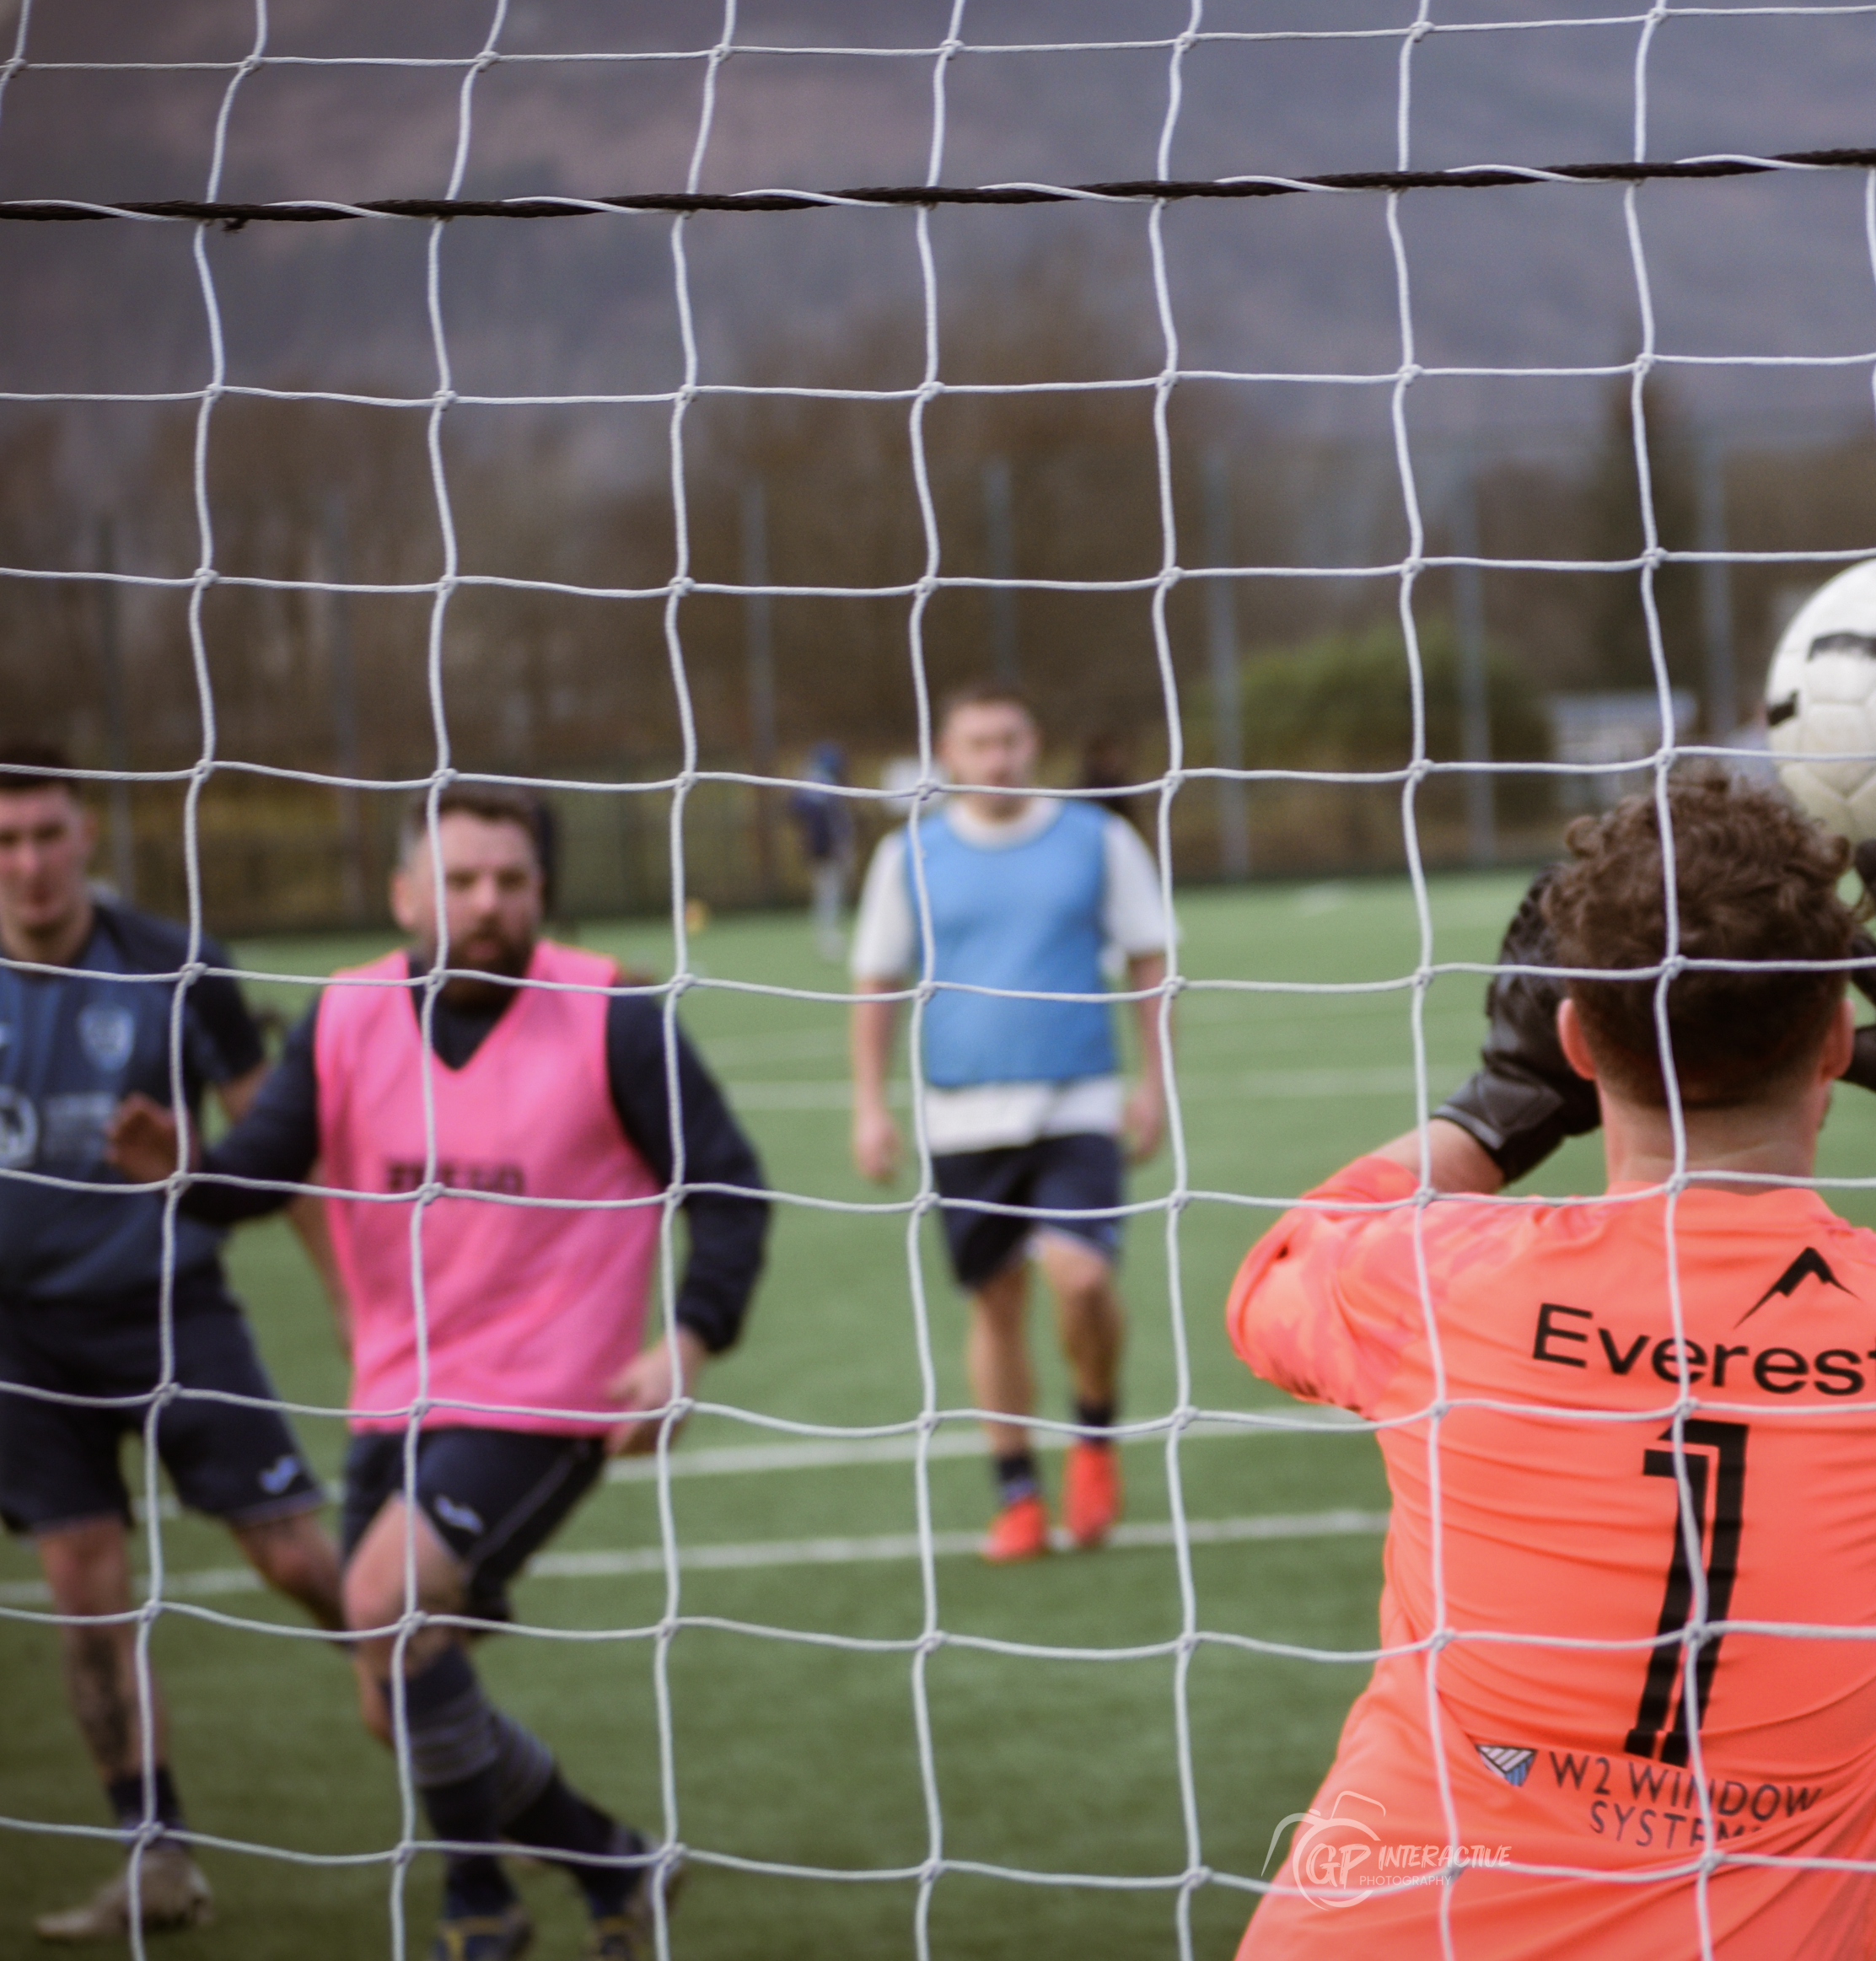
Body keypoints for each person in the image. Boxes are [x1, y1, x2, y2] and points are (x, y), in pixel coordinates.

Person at [1227, 776, 1876, 1957]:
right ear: (1831, 1041)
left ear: (1571, 1038)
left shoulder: (1434, 1283)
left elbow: (1270, 1279)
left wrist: (1492, 1111)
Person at [104, 783, 772, 1961]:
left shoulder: (616, 1013)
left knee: (385, 1598)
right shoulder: (348, 1010)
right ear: (409, 893)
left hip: (553, 1394)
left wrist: (690, 1336)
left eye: (511, 881)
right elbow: (267, 1165)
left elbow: (728, 1188)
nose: (488, 903)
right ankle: (611, 1859)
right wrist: (185, 1171)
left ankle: (480, 1907)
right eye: (460, 881)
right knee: (394, 1693)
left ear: (543, 893)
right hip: (393, 1390)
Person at [0, 741, 344, 1945]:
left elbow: (277, 1139)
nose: (30, 863)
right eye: (6, 841)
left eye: (47, 832)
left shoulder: (173, 962)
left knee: (296, 1557)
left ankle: (436, 1716)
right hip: (19, 1337)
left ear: (88, 830)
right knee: (83, 1591)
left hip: (167, 1305)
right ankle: (154, 1855)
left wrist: (356, 1307)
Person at [847, 682, 1170, 1564]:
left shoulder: (1097, 839)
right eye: (979, 743)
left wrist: (1156, 1084)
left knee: (1079, 1279)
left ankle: (1095, 1441)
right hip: (960, 1112)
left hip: (1078, 1101)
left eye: (1012, 739)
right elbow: (875, 981)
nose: (998, 758)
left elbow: (1149, 959)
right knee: (994, 1303)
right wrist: (870, 1105)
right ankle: (1017, 1494)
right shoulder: (907, 856)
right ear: (948, 755)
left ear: (1036, 744)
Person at [788, 742, 855, 959]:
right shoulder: (820, 786)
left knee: (829, 894)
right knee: (828, 895)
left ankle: (827, 936)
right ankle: (827, 938)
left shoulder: (813, 785)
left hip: (822, 850)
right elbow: (799, 811)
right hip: (826, 850)